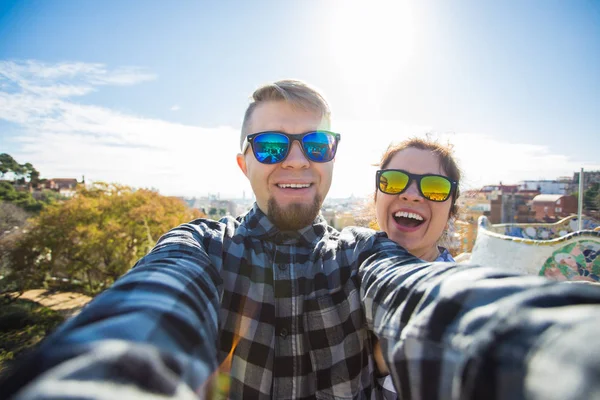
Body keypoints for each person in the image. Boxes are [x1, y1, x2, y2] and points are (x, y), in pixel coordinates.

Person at [2, 80, 600, 400]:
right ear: (243, 163)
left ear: (332, 159)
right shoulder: (202, 248)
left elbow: (434, 300)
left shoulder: (362, 254)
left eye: (314, 145)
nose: (295, 160)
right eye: (270, 145)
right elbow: (151, 308)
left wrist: (564, 350)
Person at [372, 138, 461, 398]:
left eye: (435, 187)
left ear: (451, 211)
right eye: (394, 180)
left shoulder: (457, 298)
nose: (410, 194)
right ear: (376, 196)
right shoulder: (342, 272)